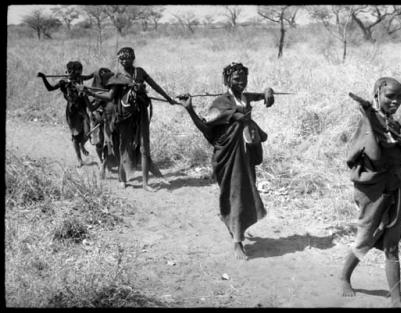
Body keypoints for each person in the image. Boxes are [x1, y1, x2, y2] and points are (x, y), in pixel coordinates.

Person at [178, 62, 275, 260]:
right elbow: (207, 128)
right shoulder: (221, 102)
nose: (242, 82)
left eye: (244, 79)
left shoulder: (244, 97)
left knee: (245, 192)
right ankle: (237, 243)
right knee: (235, 194)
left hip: (246, 151)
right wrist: (189, 110)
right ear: (227, 80)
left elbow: (257, 96)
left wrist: (268, 91)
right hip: (227, 155)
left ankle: (235, 229)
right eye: (237, 79)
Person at [340, 77, 401, 307]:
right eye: (390, 96)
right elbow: (373, 130)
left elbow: (400, 151)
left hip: (396, 188)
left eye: (399, 96)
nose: (395, 101)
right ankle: (344, 276)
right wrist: (366, 108)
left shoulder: (392, 124)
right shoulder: (370, 121)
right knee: (365, 239)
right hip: (374, 192)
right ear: (377, 95)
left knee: (392, 246)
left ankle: (396, 299)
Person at [80, 47, 177, 191]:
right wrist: (89, 92)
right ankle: (122, 179)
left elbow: (154, 85)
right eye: (121, 58)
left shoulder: (140, 72)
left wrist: (168, 98)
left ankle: (145, 183)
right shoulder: (117, 77)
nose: (124, 60)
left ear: (133, 58)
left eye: (127, 57)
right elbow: (110, 96)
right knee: (123, 147)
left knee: (145, 148)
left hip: (141, 113)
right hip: (124, 116)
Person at [37, 61, 93, 167]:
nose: (77, 75)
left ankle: (82, 145)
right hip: (72, 111)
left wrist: (97, 73)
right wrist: (44, 78)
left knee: (87, 132)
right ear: (69, 71)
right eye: (73, 72)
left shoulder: (80, 78)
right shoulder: (64, 82)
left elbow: (90, 76)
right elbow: (50, 88)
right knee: (75, 136)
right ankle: (79, 159)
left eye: (79, 72)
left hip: (82, 108)